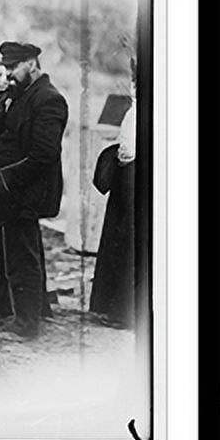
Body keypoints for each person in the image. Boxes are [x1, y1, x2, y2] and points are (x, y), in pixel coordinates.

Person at [0, 42, 69, 340]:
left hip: (24, 193)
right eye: (5, 68)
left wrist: (7, 179)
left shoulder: (49, 100)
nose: (8, 74)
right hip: (7, 191)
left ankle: (26, 327)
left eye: (13, 67)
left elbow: (44, 154)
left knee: (22, 259)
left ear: (33, 63)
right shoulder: (20, 96)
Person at [90, 61, 136, 328]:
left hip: (137, 176)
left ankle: (124, 311)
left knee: (130, 243)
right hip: (126, 177)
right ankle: (114, 307)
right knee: (120, 242)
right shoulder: (132, 107)